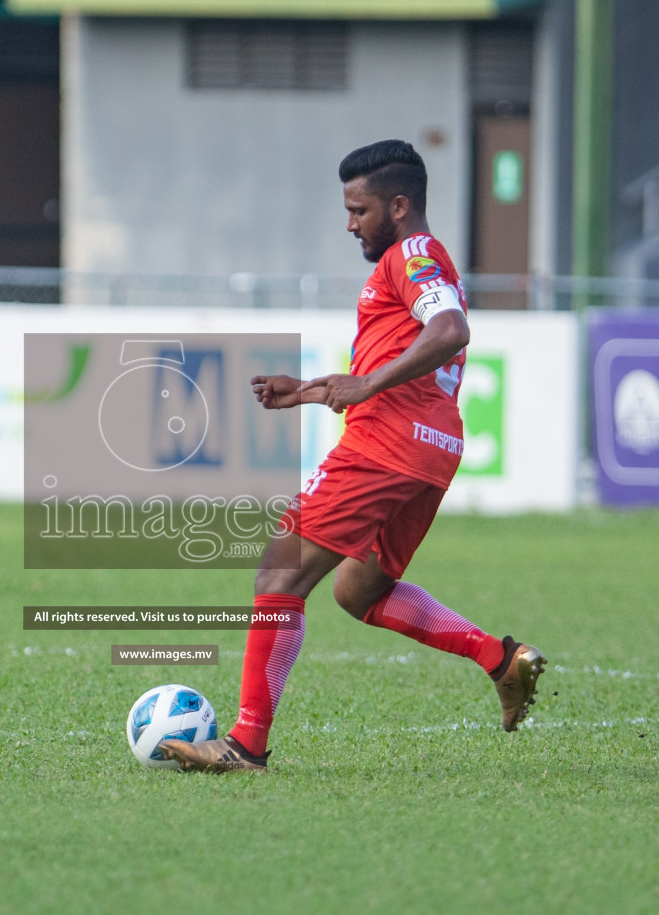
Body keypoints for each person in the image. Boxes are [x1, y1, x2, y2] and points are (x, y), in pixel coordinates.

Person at [160, 140, 547, 772]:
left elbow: (449, 331)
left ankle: (244, 744)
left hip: (385, 448)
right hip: (430, 451)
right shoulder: (412, 263)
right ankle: (500, 660)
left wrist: (364, 387)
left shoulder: (413, 254)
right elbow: (402, 358)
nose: (349, 224)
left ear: (398, 206)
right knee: (359, 590)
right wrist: (313, 391)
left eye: (358, 210)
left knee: (278, 577)